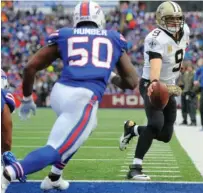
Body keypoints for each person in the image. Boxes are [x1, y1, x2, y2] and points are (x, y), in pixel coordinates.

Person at [1, 1, 138, 192]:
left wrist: (26, 98)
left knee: (88, 126)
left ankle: (55, 176)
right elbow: (132, 81)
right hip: (82, 98)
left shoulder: (65, 34)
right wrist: (111, 76)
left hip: (60, 92)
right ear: (100, 19)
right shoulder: (113, 37)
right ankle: (7, 175)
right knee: (55, 148)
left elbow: (29, 66)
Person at [119, 1, 190, 180]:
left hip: (169, 85)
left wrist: (176, 72)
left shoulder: (185, 31)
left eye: (177, 19)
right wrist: (156, 83)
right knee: (156, 123)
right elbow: (155, 66)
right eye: (170, 20)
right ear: (160, 19)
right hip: (152, 84)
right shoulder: (155, 37)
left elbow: (178, 54)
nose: (175, 23)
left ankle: (132, 130)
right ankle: (135, 168)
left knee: (165, 135)